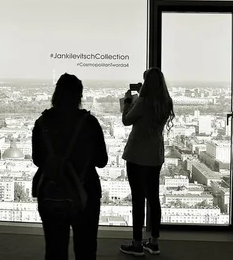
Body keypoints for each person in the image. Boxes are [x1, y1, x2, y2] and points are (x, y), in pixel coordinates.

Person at [32, 73, 108, 260]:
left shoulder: (42, 123)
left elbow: (37, 159)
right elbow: (102, 161)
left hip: (51, 191)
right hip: (85, 191)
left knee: (55, 250)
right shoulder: (90, 123)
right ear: (79, 97)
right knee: (86, 249)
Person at [119, 68, 175, 257]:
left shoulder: (142, 102)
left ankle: (136, 244)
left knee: (137, 198)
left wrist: (128, 102)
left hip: (137, 155)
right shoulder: (166, 102)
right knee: (153, 198)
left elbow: (127, 120)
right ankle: (154, 242)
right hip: (155, 156)